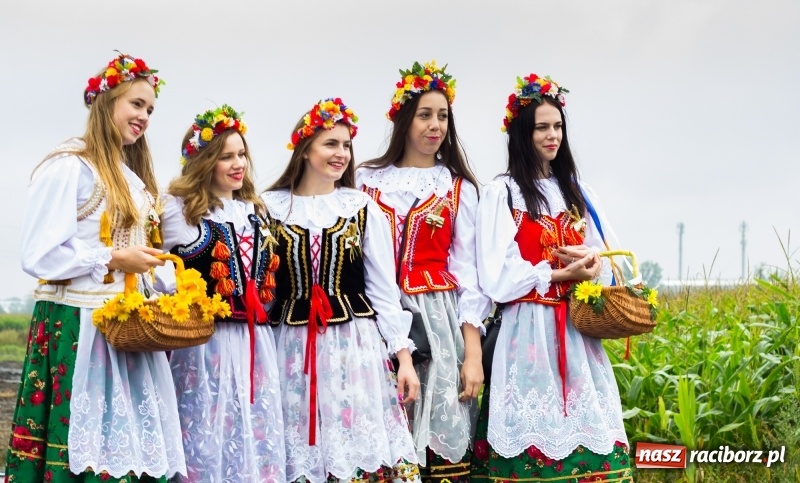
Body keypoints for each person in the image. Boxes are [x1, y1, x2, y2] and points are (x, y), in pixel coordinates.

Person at [5, 53, 186, 482]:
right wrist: (111, 258)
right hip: (80, 323)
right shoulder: (70, 166)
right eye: (136, 104)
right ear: (106, 101)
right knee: (86, 448)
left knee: (129, 447)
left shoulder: (131, 175)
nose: (144, 116)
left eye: (150, 109)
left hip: (127, 327)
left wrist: (165, 280)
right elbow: (38, 255)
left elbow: (135, 249)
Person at [471, 74, 633, 482]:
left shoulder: (578, 191)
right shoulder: (502, 193)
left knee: (588, 432)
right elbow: (498, 277)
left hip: (579, 330)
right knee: (531, 432)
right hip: (527, 331)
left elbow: (612, 260)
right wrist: (561, 271)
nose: (551, 135)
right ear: (521, 134)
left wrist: (593, 264)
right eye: (541, 127)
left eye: (557, 126)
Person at [262, 98, 421, 482]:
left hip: (355, 347)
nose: (342, 154)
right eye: (331, 143)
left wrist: (403, 359)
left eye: (347, 145)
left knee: (356, 443)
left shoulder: (360, 207)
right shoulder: (269, 207)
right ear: (304, 149)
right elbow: (261, 286)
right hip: (292, 350)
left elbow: (384, 291)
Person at [356, 60, 491, 481]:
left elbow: (469, 272)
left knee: (438, 440)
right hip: (372, 314)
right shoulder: (365, 180)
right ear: (403, 120)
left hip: (437, 321)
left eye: (443, 116)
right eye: (425, 115)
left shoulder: (457, 187)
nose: (436, 126)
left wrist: (472, 355)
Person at [159, 105, 286, 482]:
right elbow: (158, 273)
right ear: (204, 161)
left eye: (241, 154)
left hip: (255, 341)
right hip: (202, 345)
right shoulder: (179, 211)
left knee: (254, 432)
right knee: (204, 430)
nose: (238, 164)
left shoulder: (255, 211)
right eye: (226, 156)